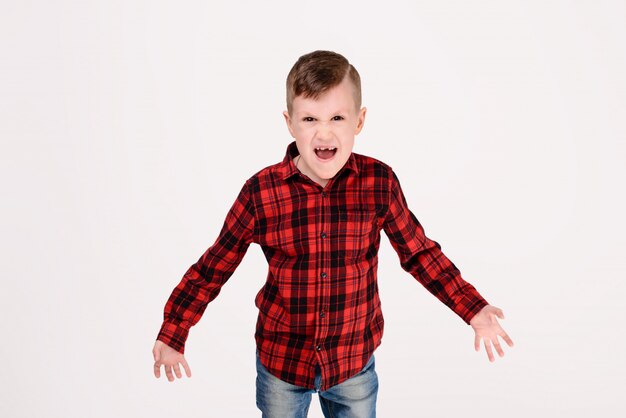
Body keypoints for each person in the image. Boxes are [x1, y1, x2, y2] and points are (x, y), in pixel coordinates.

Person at [152, 50, 514, 417]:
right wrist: (173, 330)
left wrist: (472, 308)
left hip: (352, 361)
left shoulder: (379, 183)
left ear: (359, 121)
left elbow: (420, 254)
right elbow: (214, 267)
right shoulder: (261, 192)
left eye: (337, 117)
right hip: (282, 362)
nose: (323, 132)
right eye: (310, 118)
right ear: (290, 123)